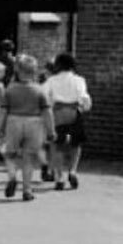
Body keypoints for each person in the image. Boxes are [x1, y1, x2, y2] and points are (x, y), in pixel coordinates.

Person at [0, 55, 55, 202]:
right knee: (28, 158)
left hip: (14, 120)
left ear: (17, 70)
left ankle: (12, 177)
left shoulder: (10, 90)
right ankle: (27, 190)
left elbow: (3, 111)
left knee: (10, 154)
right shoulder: (39, 90)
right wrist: (51, 130)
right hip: (34, 122)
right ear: (35, 71)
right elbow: (47, 112)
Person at [42, 53, 91, 191]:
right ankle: (72, 171)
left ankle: (59, 177)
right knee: (76, 144)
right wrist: (84, 107)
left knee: (57, 145)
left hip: (57, 113)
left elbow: (44, 96)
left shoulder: (51, 80)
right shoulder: (79, 80)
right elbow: (84, 97)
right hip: (74, 112)